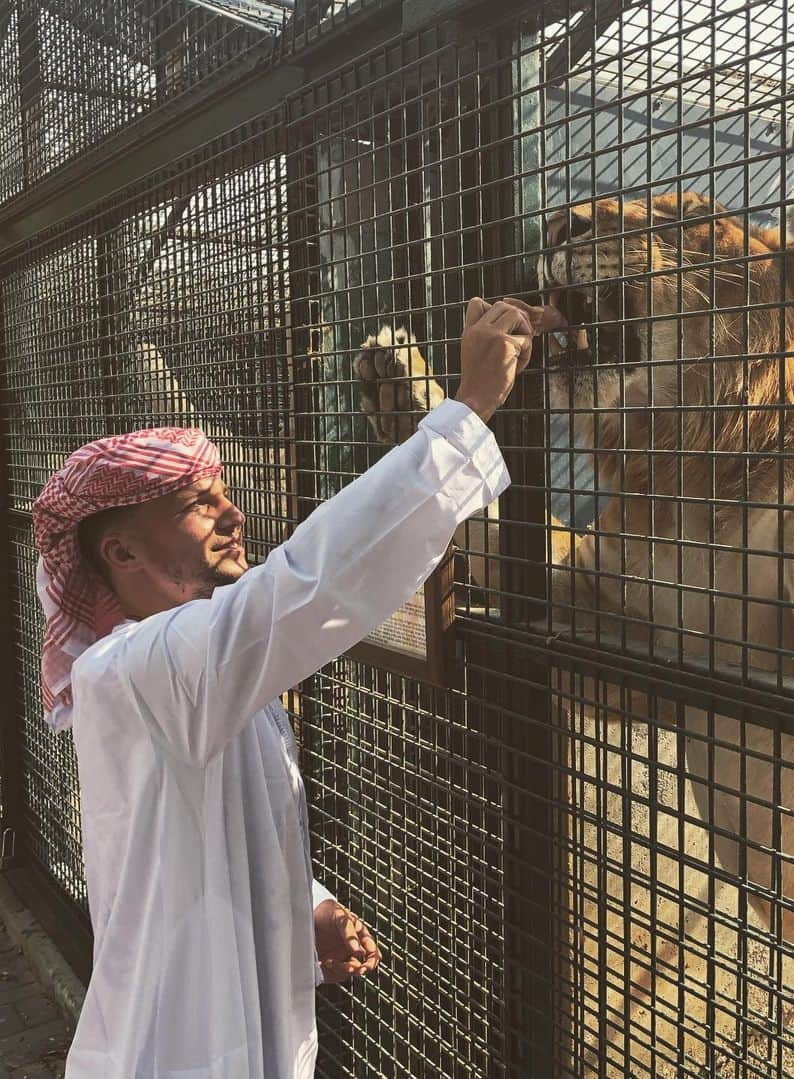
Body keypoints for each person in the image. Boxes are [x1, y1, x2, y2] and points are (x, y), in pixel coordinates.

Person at [31, 298, 544, 1078]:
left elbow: (210, 823)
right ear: (122, 553)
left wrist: (302, 902)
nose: (233, 514)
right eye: (197, 504)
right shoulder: (134, 671)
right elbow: (306, 585)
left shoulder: (190, 664)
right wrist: (466, 410)